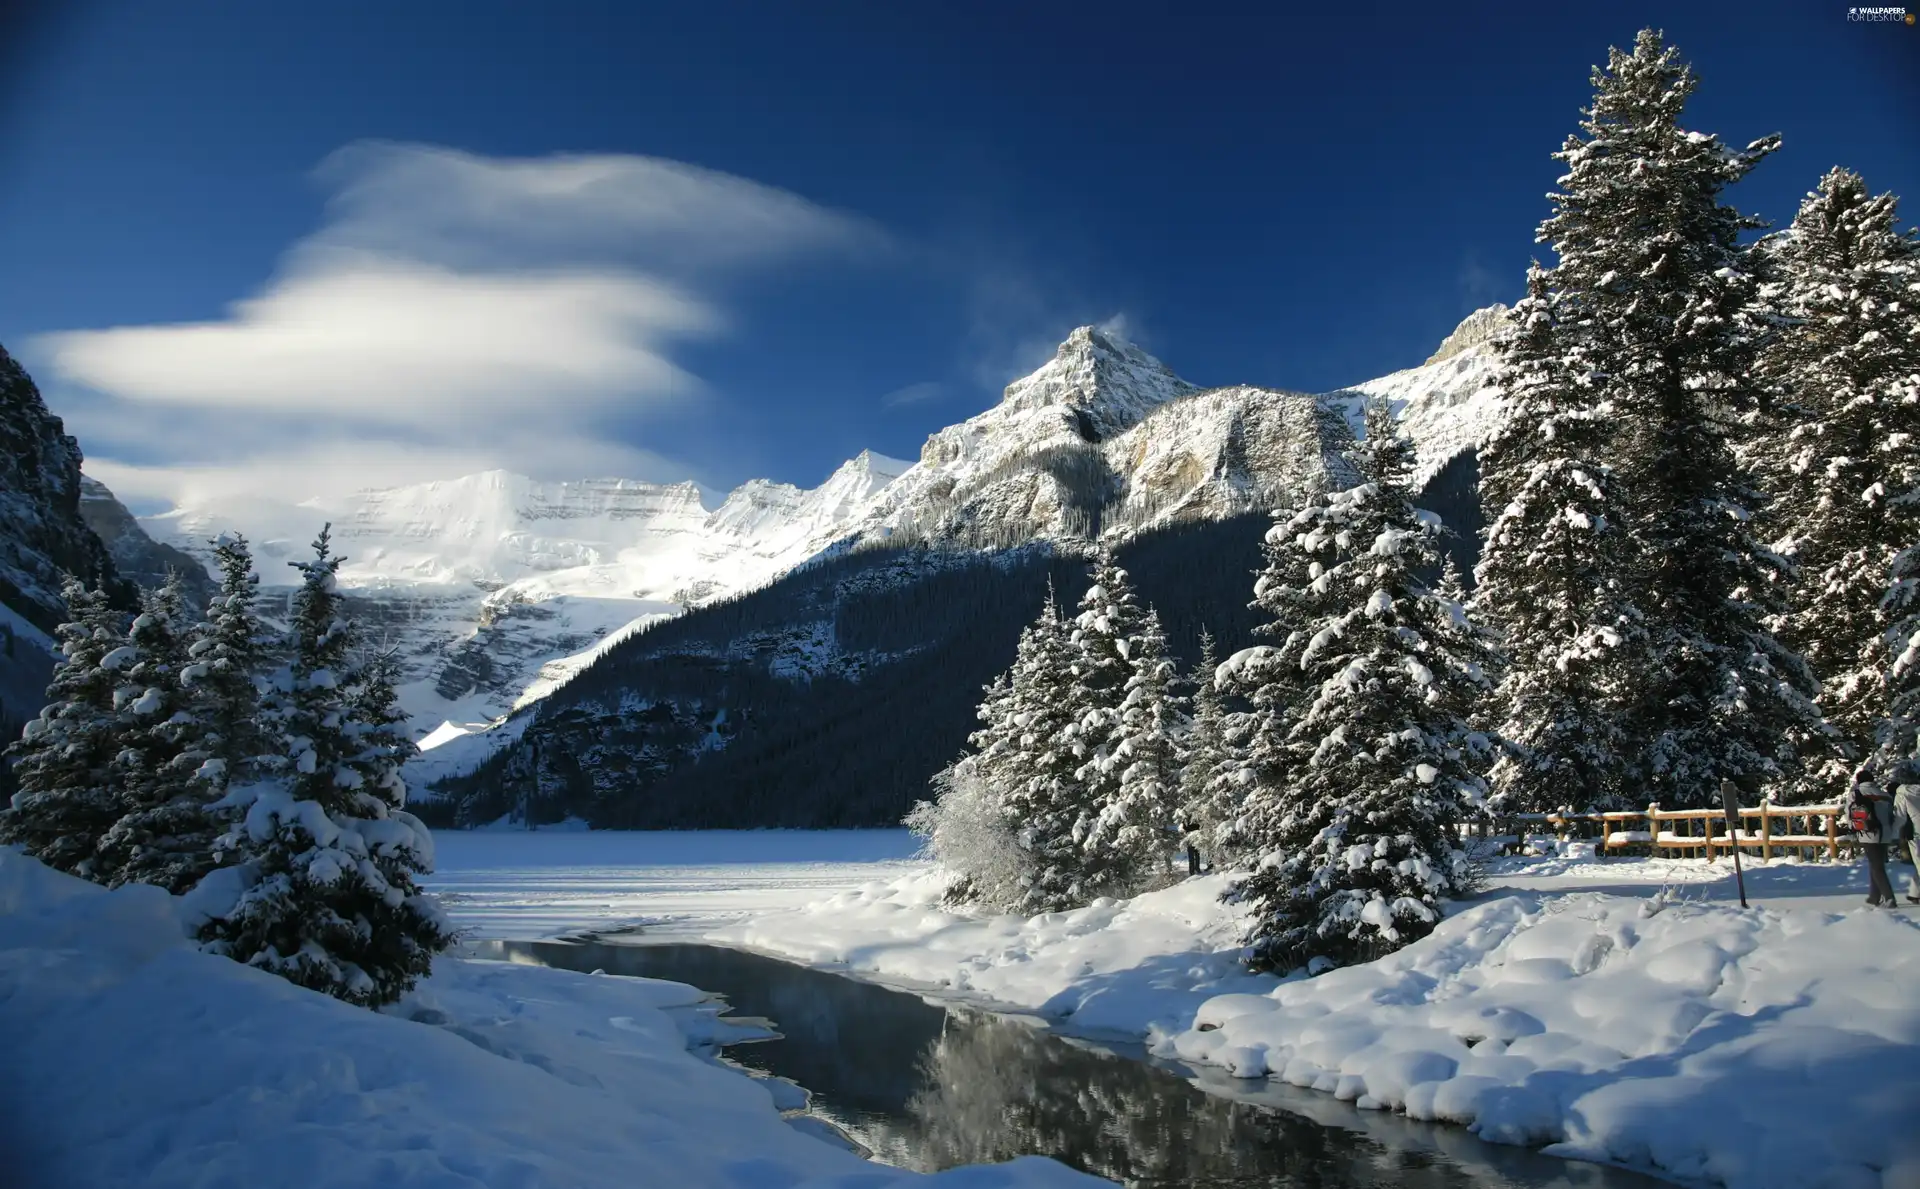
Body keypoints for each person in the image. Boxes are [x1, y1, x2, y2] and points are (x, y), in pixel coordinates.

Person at [1844, 780, 1901, 907]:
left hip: (1867, 834)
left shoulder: (1856, 794)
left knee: (1877, 868)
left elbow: (1849, 814)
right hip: (1885, 834)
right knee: (1876, 864)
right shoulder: (1884, 795)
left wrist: (1854, 828)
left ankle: (1889, 898)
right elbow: (1894, 814)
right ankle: (1874, 897)